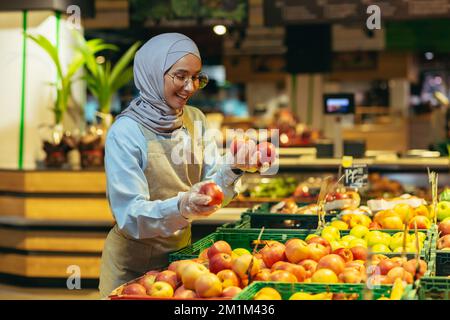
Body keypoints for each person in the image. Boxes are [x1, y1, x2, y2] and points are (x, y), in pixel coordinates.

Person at [98, 33, 260, 297]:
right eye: (180, 76)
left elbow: (211, 189)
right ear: (152, 72)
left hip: (182, 262)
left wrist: (233, 168)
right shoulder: (125, 131)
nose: (190, 87)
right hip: (131, 267)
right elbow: (130, 216)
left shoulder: (195, 119)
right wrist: (182, 205)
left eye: (196, 77)